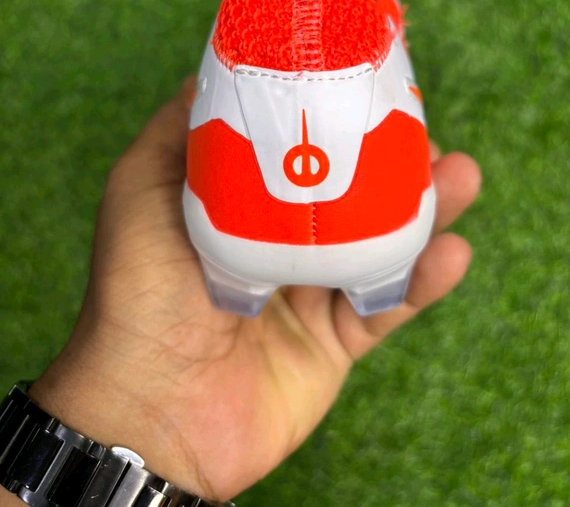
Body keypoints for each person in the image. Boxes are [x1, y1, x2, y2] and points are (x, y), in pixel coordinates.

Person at [0, 77, 481, 506]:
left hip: (249, 242)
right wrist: (140, 413)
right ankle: (371, 273)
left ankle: (332, 272)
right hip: (296, 237)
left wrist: (131, 415)